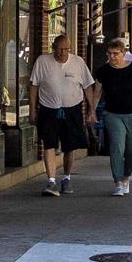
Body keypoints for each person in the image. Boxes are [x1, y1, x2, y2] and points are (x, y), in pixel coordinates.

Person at [28, 34, 94, 196]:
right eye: (59, 49)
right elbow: (34, 86)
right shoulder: (42, 62)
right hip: (48, 108)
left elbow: (87, 87)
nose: (63, 53)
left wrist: (92, 109)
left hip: (72, 109)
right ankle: (51, 181)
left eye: (66, 49)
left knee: (69, 146)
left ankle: (66, 177)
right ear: (53, 48)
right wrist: (32, 110)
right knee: (48, 143)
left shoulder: (78, 62)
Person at [93, 38, 132, 196]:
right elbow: (97, 92)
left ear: (123, 53)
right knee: (117, 147)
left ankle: (126, 177)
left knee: (131, 150)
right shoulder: (103, 71)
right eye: (110, 53)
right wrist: (91, 111)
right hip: (113, 114)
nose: (112, 57)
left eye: (116, 54)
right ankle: (118, 181)